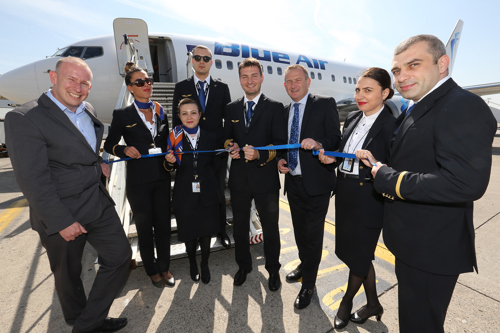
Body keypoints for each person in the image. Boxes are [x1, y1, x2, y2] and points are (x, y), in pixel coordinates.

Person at [360, 35, 496, 333]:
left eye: (414, 65)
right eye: (396, 70)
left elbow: (465, 182)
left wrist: (388, 179)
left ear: (442, 64)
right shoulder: (420, 105)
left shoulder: (462, 105)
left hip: (432, 249)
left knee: (420, 325)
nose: (402, 76)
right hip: (413, 243)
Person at [5, 57, 131, 333]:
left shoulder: (88, 109)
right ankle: (79, 317)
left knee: (120, 257)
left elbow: (79, 149)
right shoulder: (26, 117)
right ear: (54, 77)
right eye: (71, 79)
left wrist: (96, 162)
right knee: (68, 274)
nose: (78, 87)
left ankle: (88, 323)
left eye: (85, 82)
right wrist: (60, 221)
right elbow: (32, 178)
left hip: (96, 201)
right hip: (61, 210)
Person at [318, 67, 396, 328]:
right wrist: (332, 158)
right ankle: (374, 303)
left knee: (360, 255)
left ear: (385, 93)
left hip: (370, 198)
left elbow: (395, 166)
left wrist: (375, 163)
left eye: (368, 90)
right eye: (358, 89)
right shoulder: (352, 117)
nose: (360, 95)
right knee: (355, 253)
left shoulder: (391, 125)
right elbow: (343, 151)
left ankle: (347, 302)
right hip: (346, 194)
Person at [104, 62, 174, 288]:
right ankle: (152, 269)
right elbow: (110, 145)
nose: (146, 85)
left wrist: (172, 156)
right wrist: (123, 149)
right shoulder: (122, 114)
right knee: (145, 227)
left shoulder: (160, 110)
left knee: (163, 225)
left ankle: (164, 266)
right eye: (140, 82)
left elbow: (165, 142)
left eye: (149, 81)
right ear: (130, 88)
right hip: (139, 181)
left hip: (162, 178)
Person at [277, 64, 341, 309]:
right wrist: (281, 159)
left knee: (313, 236)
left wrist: (319, 143)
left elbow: (336, 138)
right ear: (285, 86)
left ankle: (309, 285)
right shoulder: (285, 111)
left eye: (297, 80)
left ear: (308, 81)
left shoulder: (324, 104)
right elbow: (284, 143)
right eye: (289, 82)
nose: (293, 85)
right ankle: (305, 265)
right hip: (293, 182)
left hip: (317, 184)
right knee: (300, 232)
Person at [223, 57, 287, 291]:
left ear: (261, 78)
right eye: (244, 76)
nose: (249, 81)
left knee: (270, 227)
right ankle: (244, 266)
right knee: (239, 226)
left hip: (265, 178)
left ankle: (273, 269)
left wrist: (259, 154)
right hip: (240, 179)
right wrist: (231, 146)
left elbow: (280, 143)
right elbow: (227, 137)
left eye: (254, 76)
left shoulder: (275, 107)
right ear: (239, 79)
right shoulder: (231, 108)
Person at [172, 45, 232, 249]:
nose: (201, 61)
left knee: (217, 193)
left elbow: (229, 121)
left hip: (215, 152)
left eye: (206, 58)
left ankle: (221, 231)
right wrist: (176, 148)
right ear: (192, 60)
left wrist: (226, 144)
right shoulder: (181, 87)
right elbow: (175, 120)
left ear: (211, 62)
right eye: (197, 57)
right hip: (190, 152)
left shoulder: (221, 88)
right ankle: (196, 233)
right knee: (193, 195)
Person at [165, 98, 221, 284]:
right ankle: (192, 263)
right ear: (179, 116)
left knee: (206, 232)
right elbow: (169, 167)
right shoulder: (174, 138)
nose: (189, 117)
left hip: (207, 191)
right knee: (189, 232)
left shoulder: (211, 137)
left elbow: (215, 165)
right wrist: (169, 162)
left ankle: (204, 263)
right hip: (184, 193)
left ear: (200, 115)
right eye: (184, 113)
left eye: (193, 112)